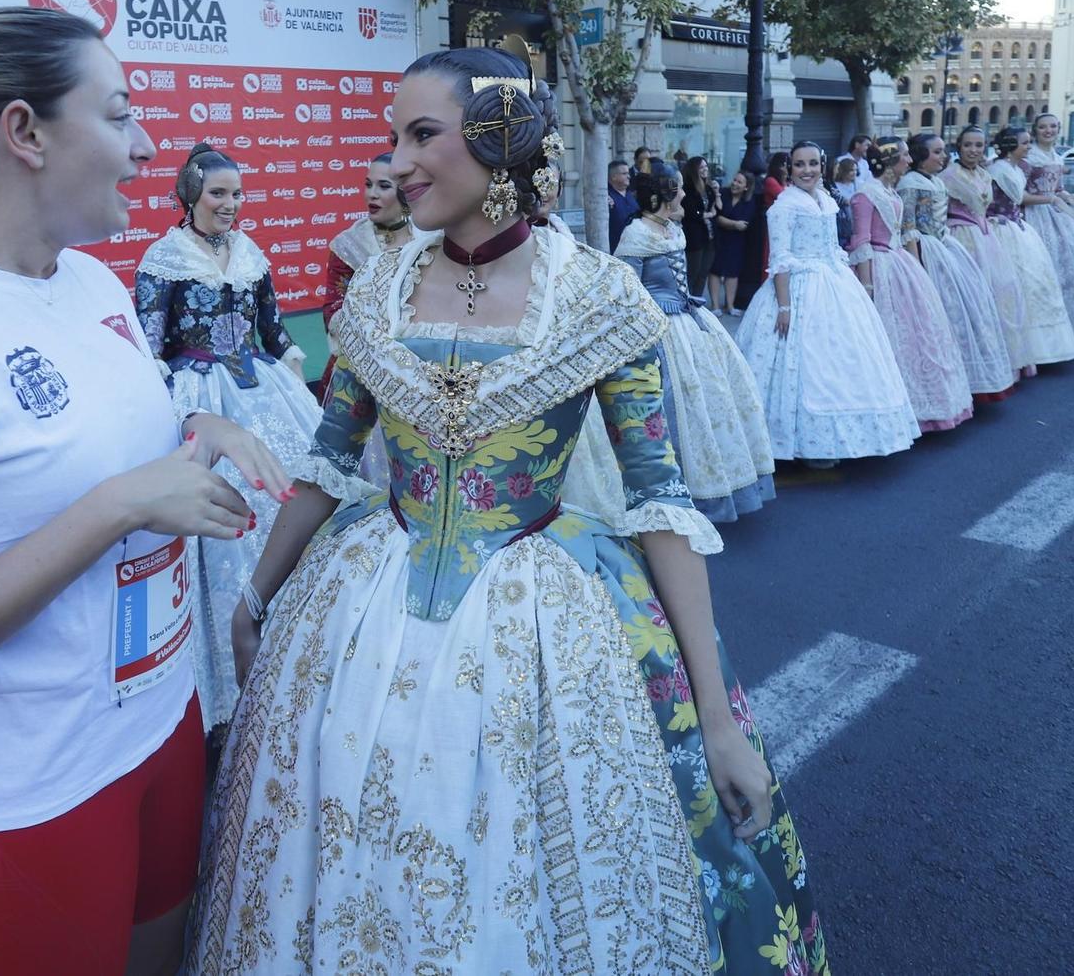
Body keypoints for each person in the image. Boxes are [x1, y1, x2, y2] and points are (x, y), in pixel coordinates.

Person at [196, 48, 828, 975]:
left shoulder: (598, 294)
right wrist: (255, 595)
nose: (399, 162)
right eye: (392, 139)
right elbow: (328, 464)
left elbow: (659, 501)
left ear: (500, 143)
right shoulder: (378, 286)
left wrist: (719, 719)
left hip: (542, 623)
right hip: (362, 612)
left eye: (423, 135)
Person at [0, 8, 289, 975]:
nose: (148, 146)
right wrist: (116, 507)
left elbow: (100, 457)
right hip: (22, 796)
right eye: (118, 115)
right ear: (24, 133)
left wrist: (198, 434)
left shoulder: (94, 287)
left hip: (159, 732)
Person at [135, 142, 322, 730]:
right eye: (218, 193)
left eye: (237, 194)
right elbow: (149, 343)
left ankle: (298, 637)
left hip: (262, 388)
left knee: (296, 493)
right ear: (191, 196)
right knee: (221, 529)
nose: (230, 204)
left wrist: (290, 360)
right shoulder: (163, 258)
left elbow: (271, 329)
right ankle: (226, 668)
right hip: (197, 401)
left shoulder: (250, 253)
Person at [734, 141, 919, 466]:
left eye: (812, 164)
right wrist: (785, 306)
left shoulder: (826, 201)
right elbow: (780, 259)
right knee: (800, 367)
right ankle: (800, 444)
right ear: (789, 169)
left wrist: (851, 281)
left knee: (843, 360)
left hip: (833, 282)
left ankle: (839, 440)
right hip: (798, 286)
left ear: (822, 166)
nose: (807, 170)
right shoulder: (785, 205)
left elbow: (833, 247)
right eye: (800, 165)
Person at [614, 162, 778, 518]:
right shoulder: (636, 235)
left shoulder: (673, 229)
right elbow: (625, 294)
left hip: (689, 320)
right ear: (660, 196)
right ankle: (674, 490)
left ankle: (710, 484)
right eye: (679, 187)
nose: (686, 193)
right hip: (659, 329)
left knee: (711, 400)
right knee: (673, 403)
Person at [849, 138, 974, 432]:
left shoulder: (889, 190)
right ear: (891, 161)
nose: (909, 160)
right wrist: (866, 287)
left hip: (899, 264)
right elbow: (862, 242)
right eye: (904, 156)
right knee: (890, 337)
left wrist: (916, 270)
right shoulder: (866, 195)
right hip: (880, 265)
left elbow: (906, 232)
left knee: (919, 336)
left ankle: (924, 406)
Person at [900, 132, 1018, 401]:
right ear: (921, 155)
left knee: (968, 308)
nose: (943, 157)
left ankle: (972, 379)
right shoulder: (911, 183)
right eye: (937, 152)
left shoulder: (933, 182)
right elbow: (907, 227)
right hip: (926, 249)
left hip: (944, 246)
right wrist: (917, 266)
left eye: (943, 151)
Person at [942, 125, 1036, 380]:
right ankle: (974, 369)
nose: (973, 150)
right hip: (961, 238)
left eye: (979, 145)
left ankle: (1004, 364)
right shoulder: (948, 176)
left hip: (987, 239)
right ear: (958, 147)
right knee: (973, 300)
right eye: (968, 145)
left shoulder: (985, 175)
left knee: (1003, 295)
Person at [985, 129, 1074, 366]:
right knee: (1016, 286)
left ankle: (1042, 349)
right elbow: (1012, 199)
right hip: (1001, 227)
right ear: (1011, 145)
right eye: (1024, 143)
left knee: (1037, 285)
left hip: (1019, 229)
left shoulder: (1017, 169)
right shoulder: (998, 170)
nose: (1029, 147)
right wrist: (1052, 199)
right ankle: (1020, 349)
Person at [1020, 114, 1074, 348]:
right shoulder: (1030, 156)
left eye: (1053, 126)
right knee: (1044, 270)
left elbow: (1058, 188)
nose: (1048, 131)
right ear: (1035, 130)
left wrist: (1068, 196)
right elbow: (1021, 191)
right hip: (1036, 214)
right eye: (1043, 127)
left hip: (1056, 214)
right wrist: (1052, 199)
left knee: (1070, 270)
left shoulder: (1056, 155)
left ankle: (1071, 332)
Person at [320, 150, 413, 341]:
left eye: (384, 186)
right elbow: (334, 311)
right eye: (368, 185)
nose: (372, 194)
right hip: (363, 352)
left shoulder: (429, 239)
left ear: (405, 191)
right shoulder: (348, 245)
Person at [737, 151, 788, 309]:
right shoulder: (771, 181)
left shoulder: (784, 181)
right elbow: (784, 197)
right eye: (787, 164)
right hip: (769, 225)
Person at [710, 170, 755, 315]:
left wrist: (729, 223)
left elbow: (745, 224)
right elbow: (717, 217)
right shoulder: (722, 193)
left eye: (739, 182)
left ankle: (730, 306)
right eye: (735, 180)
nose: (735, 183)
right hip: (719, 238)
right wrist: (734, 224)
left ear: (746, 187)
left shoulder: (749, 201)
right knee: (715, 270)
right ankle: (715, 306)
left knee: (732, 273)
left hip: (736, 241)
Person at [681, 153, 718, 297]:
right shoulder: (688, 189)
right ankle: (688, 303)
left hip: (710, 236)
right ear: (694, 170)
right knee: (693, 273)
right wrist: (705, 214)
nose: (705, 169)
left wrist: (716, 192)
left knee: (703, 273)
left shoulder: (708, 188)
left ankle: (697, 303)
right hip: (695, 238)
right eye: (701, 167)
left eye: (706, 166)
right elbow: (690, 213)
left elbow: (716, 208)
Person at [606, 157, 637, 250]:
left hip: (635, 248)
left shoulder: (630, 195)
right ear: (613, 177)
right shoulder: (606, 197)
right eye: (624, 174)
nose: (629, 176)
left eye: (628, 173)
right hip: (616, 250)